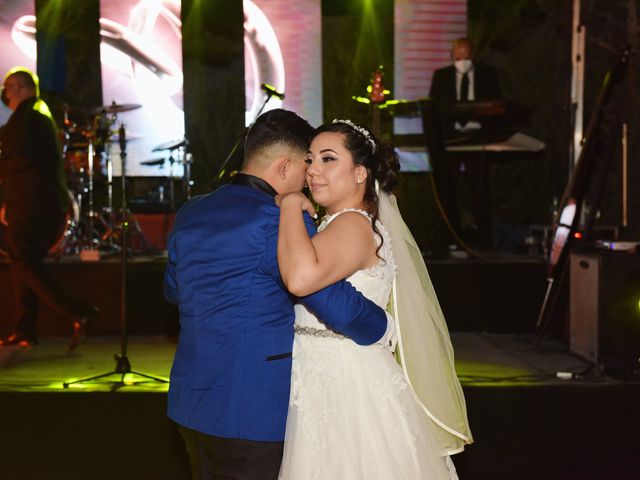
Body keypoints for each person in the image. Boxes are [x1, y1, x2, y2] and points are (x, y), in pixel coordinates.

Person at [163, 109, 394, 480]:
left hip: (190, 402)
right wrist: (380, 324)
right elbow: (332, 302)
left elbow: (173, 290)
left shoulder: (192, 211)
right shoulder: (279, 218)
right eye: (307, 166)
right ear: (286, 167)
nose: (311, 178)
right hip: (251, 410)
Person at [276, 119, 472, 479]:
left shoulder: (352, 224)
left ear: (360, 173)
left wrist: (289, 205)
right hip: (325, 379)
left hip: (350, 389)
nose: (313, 170)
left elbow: (300, 278)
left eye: (328, 159)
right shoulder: (339, 224)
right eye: (310, 159)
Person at [0, 67, 97, 351]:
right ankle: (25, 329)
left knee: (24, 261)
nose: (4, 95)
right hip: (37, 202)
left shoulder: (28, 118)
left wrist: (6, 197)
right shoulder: (36, 115)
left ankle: (77, 312)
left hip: (31, 204)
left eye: (6, 89)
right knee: (22, 262)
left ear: (17, 88)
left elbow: (16, 164)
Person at [429, 37, 504, 249]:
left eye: (467, 56)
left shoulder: (487, 75)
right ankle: (447, 239)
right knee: (447, 189)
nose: (463, 60)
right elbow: (434, 107)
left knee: (480, 190)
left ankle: (484, 241)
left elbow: (497, 104)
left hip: (477, 138)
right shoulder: (442, 76)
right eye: (458, 56)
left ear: (473, 55)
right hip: (451, 139)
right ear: (452, 55)